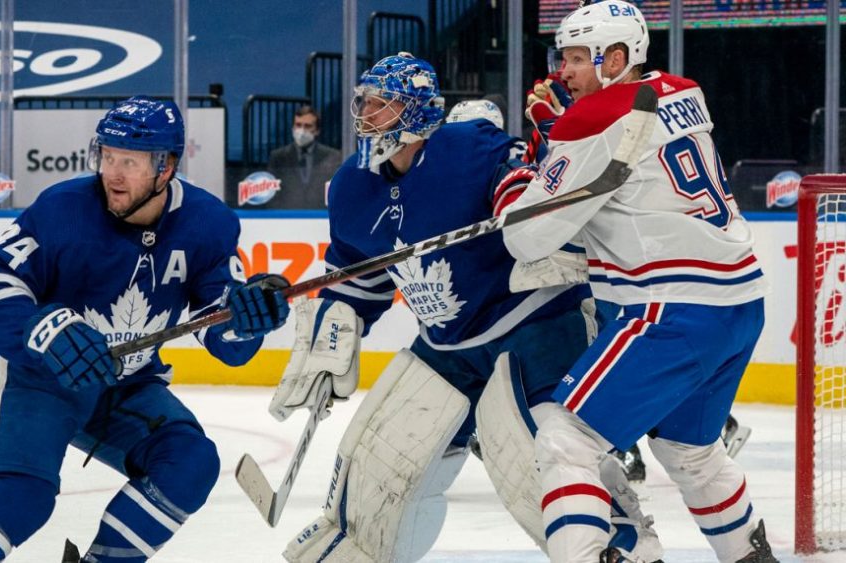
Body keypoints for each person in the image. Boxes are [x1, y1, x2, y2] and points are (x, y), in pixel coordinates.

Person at [268, 52, 661, 563]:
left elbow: (534, 195)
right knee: (376, 471)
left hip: (533, 326)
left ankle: (622, 548)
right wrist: (330, 340)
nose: (366, 114)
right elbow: (357, 278)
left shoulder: (470, 148)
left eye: (382, 104)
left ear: (417, 112)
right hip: (445, 346)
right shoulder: (351, 186)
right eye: (364, 102)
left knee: (536, 464)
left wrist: (525, 190)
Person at [0, 96, 290, 563]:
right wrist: (47, 329)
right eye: (108, 157)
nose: (112, 174)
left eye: (130, 162)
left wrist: (246, 321)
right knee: (19, 500)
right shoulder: (62, 210)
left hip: (127, 385)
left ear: (166, 167)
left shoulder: (207, 224)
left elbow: (223, 337)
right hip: (41, 380)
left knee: (189, 464)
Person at [498, 2, 776, 562]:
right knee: (690, 451)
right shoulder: (683, 92)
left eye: (578, 59)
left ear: (617, 58)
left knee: (565, 439)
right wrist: (564, 138)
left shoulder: (590, 121)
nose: (563, 72)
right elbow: (630, 158)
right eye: (563, 58)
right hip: (738, 303)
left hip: (669, 311)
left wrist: (528, 171)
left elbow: (525, 238)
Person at [265, 105, 342, 209]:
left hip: (321, 216)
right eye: (298, 125)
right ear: (293, 127)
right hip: (286, 216)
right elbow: (271, 196)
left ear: (317, 130)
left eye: (307, 126)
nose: (301, 130)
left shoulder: (332, 156)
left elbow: (337, 192)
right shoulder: (278, 157)